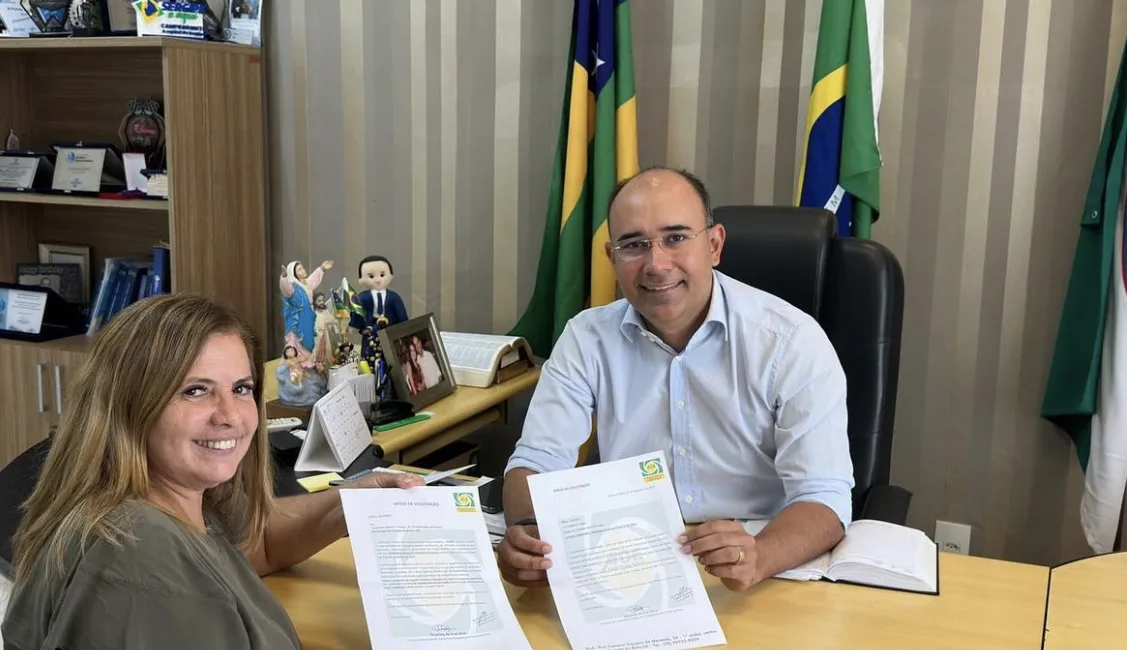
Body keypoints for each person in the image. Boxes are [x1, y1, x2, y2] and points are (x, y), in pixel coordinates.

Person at [498, 167, 854, 592]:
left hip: (761, 562)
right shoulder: (586, 338)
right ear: (612, 258)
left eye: (676, 238)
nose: (656, 264)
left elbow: (824, 498)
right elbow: (536, 461)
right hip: (629, 564)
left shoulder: (789, 341)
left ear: (714, 245)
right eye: (634, 245)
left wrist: (760, 556)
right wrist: (527, 530)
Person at [2, 294, 424, 649]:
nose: (230, 415)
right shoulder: (141, 556)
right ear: (130, 405)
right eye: (195, 391)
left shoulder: (172, 500)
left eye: (241, 388)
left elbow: (259, 543)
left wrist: (353, 503)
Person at [279, 259, 333, 352]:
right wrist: (284, 277)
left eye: (302, 268)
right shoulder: (294, 287)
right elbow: (286, 288)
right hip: (299, 318)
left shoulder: (307, 284)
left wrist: (322, 268)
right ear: (294, 274)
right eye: (299, 269)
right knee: (299, 341)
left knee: (310, 339)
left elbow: (314, 277)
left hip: (309, 315)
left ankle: (309, 357)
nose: (303, 270)